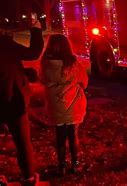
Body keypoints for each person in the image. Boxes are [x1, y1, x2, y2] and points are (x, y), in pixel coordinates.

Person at [0, 13, 43, 184]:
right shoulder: (4, 44)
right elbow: (33, 52)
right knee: (23, 141)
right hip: (12, 100)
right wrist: (36, 29)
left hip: (9, 98)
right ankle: (28, 177)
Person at [40, 34, 88, 176]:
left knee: (60, 136)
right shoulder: (73, 65)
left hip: (56, 106)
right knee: (73, 135)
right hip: (73, 105)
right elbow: (84, 82)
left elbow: (42, 80)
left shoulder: (45, 65)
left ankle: (61, 165)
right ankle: (75, 163)